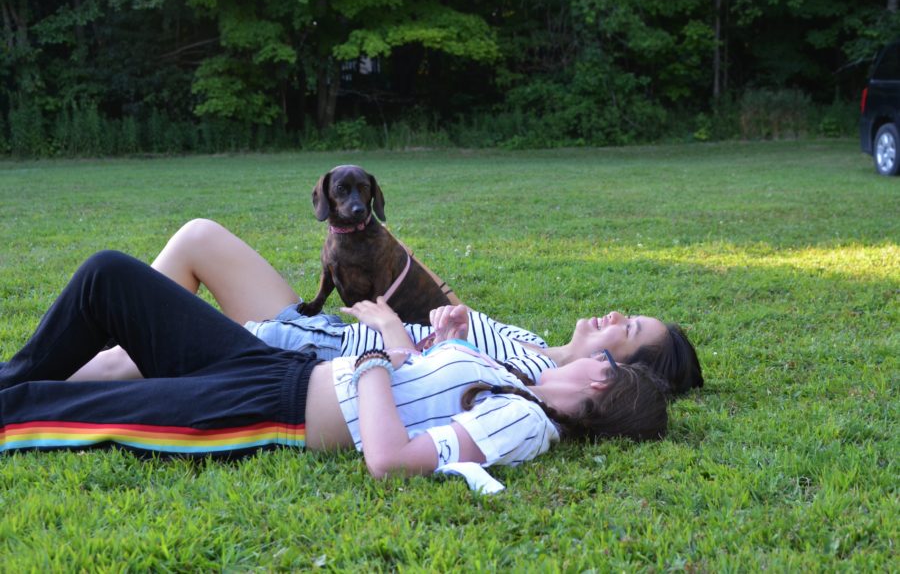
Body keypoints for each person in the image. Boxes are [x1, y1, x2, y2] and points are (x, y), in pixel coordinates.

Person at [0, 251, 668, 480]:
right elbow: (419, 387)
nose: (602, 356)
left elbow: (389, 458)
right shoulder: (515, 379)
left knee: (54, 409)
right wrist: (432, 342)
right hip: (264, 365)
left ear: (603, 382)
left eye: (612, 360)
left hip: (269, 410)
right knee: (108, 278)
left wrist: (376, 345)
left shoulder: (527, 426)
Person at [69, 220, 703, 394]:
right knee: (199, 237)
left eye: (630, 328)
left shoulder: (538, 382)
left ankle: (59, 372)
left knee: (132, 356)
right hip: (317, 326)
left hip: (315, 356)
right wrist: (397, 258)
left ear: (621, 369)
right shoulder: (533, 342)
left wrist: (423, 337)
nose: (617, 315)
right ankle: (90, 350)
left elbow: (419, 381)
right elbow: (454, 309)